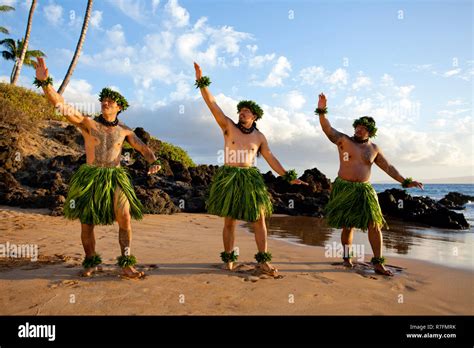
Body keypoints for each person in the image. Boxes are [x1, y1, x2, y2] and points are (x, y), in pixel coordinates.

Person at [33, 57, 161, 278]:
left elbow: (143, 148)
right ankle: (91, 261)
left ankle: (126, 262)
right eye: (104, 100)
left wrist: (153, 161)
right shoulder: (88, 124)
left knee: (125, 216)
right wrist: (46, 84)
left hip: (116, 176)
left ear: (119, 107)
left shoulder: (125, 130)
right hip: (90, 177)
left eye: (111, 101)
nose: (106, 102)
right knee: (87, 222)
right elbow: (61, 106)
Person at [194, 62, 308, 276]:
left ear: (255, 116)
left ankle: (263, 261)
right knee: (230, 220)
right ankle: (228, 259)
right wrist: (201, 80)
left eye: (247, 112)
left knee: (259, 218)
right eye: (241, 111)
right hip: (230, 176)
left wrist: (287, 176)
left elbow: (270, 157)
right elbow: (212, 104)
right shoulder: (227, 126)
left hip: (250, 178)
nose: (242, 113)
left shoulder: (259, 137)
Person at [316, 93, 423, 276]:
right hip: (344, 187)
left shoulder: (374, 149)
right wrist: (322, 110)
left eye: (364, 128)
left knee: (375, 223)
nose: (359, 129)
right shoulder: (343, 140)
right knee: (348, 225)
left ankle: (378, 263)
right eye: (357, 126)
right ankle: (347, 258)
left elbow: (388, 167)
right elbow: (327, 128)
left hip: (365, 190)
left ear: (370, 132)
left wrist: (405, 181)